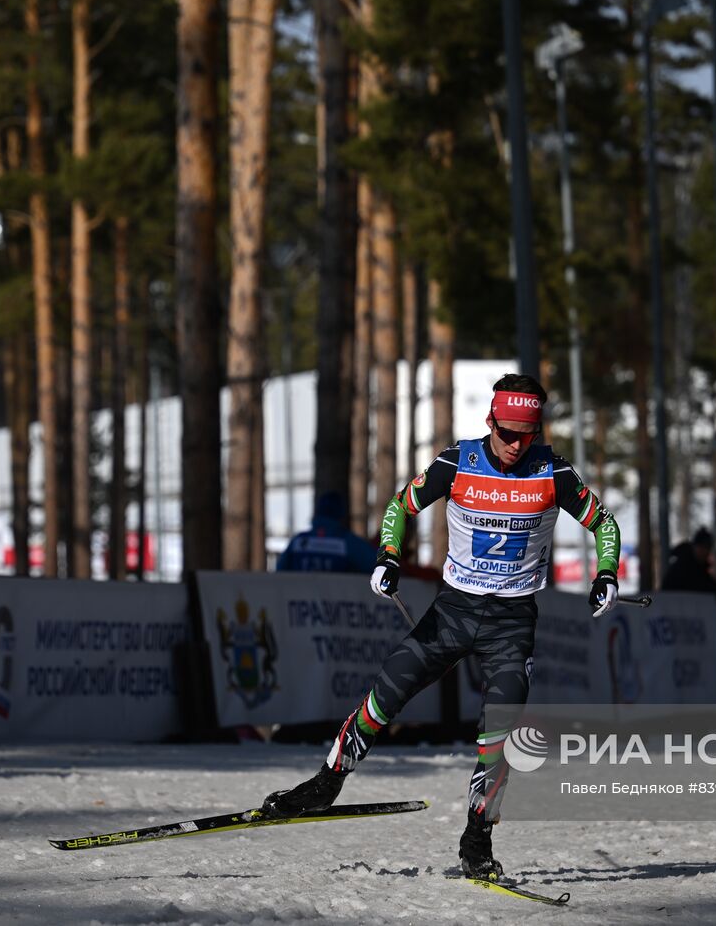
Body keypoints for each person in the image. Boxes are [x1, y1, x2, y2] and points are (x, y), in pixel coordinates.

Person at [259, 373, 622, 880]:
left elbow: (604, 523)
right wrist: (388, 557)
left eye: (528, 435)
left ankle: (478, 840)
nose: (517, 445)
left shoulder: (554, 472)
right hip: (453, 611)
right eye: (508, 433)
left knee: (500, 732)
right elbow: (399, 507)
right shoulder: (458, 461)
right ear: (489, 422)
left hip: (511, 623)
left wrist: (606, 573)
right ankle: (326, 783)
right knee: (387, 690)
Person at [276, 491, 377, 574]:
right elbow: (376, 566)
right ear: (341, 514)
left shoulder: (298, 542)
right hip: (340, 597)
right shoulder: (348, 543)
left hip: (298, 598)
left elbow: (279, 573)